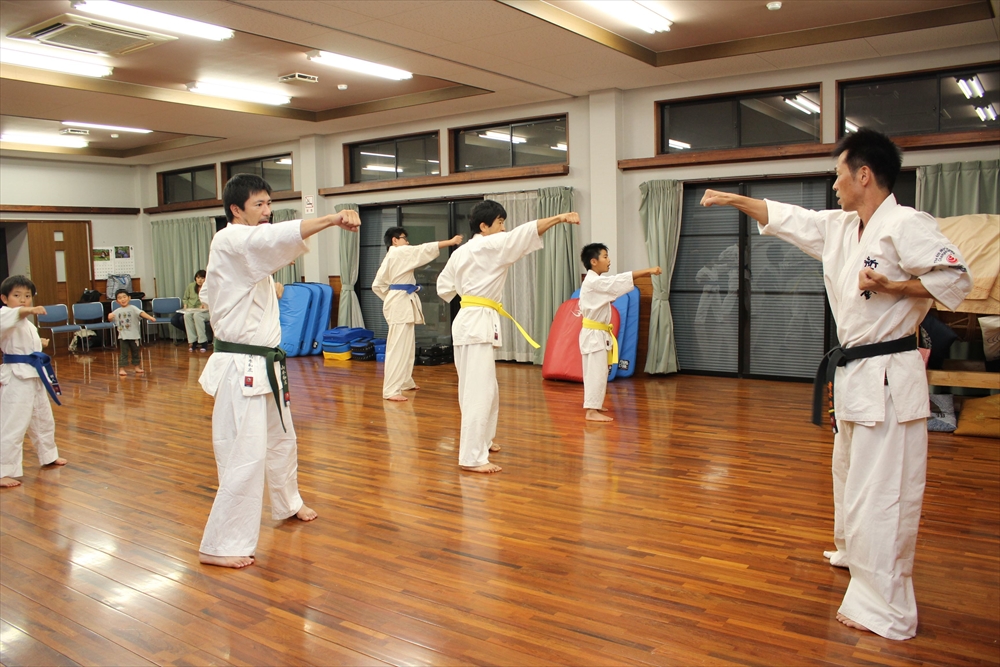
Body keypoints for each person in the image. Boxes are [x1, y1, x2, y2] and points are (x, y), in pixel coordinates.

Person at [700, 127, 972, 640]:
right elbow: (789, 218)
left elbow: (956, 280)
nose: (834, 186)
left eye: (838, 175)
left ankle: (886, 608)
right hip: (855, 374)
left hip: (889, 373)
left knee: (883, 490)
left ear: (863, 175)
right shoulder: (845, 227)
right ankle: (853, 552)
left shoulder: (906, 224)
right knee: (848, 474)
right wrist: (737, 199)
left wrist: (895, 285)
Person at [197, 173, 360, 568]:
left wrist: (261, 289)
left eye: (270, 204)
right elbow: (268, 242)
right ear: (236, 210)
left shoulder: (238, 251)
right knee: (245, 454)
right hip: (242, 367)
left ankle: (287, 503)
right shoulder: (230, 238)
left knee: (282, 440)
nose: (267, 212)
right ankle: (222, 544)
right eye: (259, 205)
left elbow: (214, 291)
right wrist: (330, 219)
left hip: (266, 363)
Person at [437, 200, 580, 474]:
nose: (504, 228)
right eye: (500, 222)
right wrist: (559, 217)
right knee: (479, 392)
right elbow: (525, 233)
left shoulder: (463, 251)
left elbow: (444, 288)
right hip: (476, 323)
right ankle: (471, 457)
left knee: (484, 389)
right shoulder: (489, 245)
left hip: (468, 320)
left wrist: (472, 291)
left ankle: (484, 440)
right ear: (484, 226)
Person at [372, 227, 463, 402]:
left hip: (400, 301)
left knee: (407, 346)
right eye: (404, 238)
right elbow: (422, 249)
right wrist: (450, 242)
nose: (407, 242)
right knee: (398, 348)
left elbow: (378, 285)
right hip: (399, 303)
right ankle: (391, 389)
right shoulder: (398, 253)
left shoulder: (391, 257)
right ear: (395, 240)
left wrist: (391, 297)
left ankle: (405, 381)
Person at [578, 243, 661, 422]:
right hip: (593, 334)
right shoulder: (594, 282)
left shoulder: (595, 281)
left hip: (597, 333)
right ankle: (591, 411)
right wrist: (648, 271)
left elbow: (615, 284)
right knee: (594, 372)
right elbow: (618, 281)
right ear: (594, 261)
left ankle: (596, 405)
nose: (609, 260)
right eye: (605, 256)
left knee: (600, 371)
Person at [0, 275, 67, 488]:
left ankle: (48, 455)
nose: (23, 300)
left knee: (42, 418)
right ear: (4, 298)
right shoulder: (4, 315)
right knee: (13, 423)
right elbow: (13, 317)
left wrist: (40, 343)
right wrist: (30, 309)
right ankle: (3, 470)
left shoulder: (27, 323)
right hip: (16, 376)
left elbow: (29, 343)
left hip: (34, 374)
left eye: (27, 296)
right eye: (17, 295)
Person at [108, 289, 155, 377]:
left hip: (134, 336)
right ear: (117, 301)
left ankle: (137, 367)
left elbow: (141, 313)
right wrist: (109, 317)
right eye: (120, 298)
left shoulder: (133, 308)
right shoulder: (117, 311)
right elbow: (111, 319)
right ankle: (122, 369)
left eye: (124, 297)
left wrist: (150, 318)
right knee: (123, 353)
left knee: (135, 352)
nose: (122, 299)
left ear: (129, 298)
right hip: (122, 336)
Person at [183, 270, 211, 352]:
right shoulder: (191, 286)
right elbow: (185, 298)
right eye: (198, 278)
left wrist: (206, 305)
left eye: (202, 278)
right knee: (187, 315)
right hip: (193, 310)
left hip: (207, 312)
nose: (200, 280)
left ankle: (203, 342)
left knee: (197, 316)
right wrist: (185, 307)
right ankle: (193, 341)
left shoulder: (210, 287)